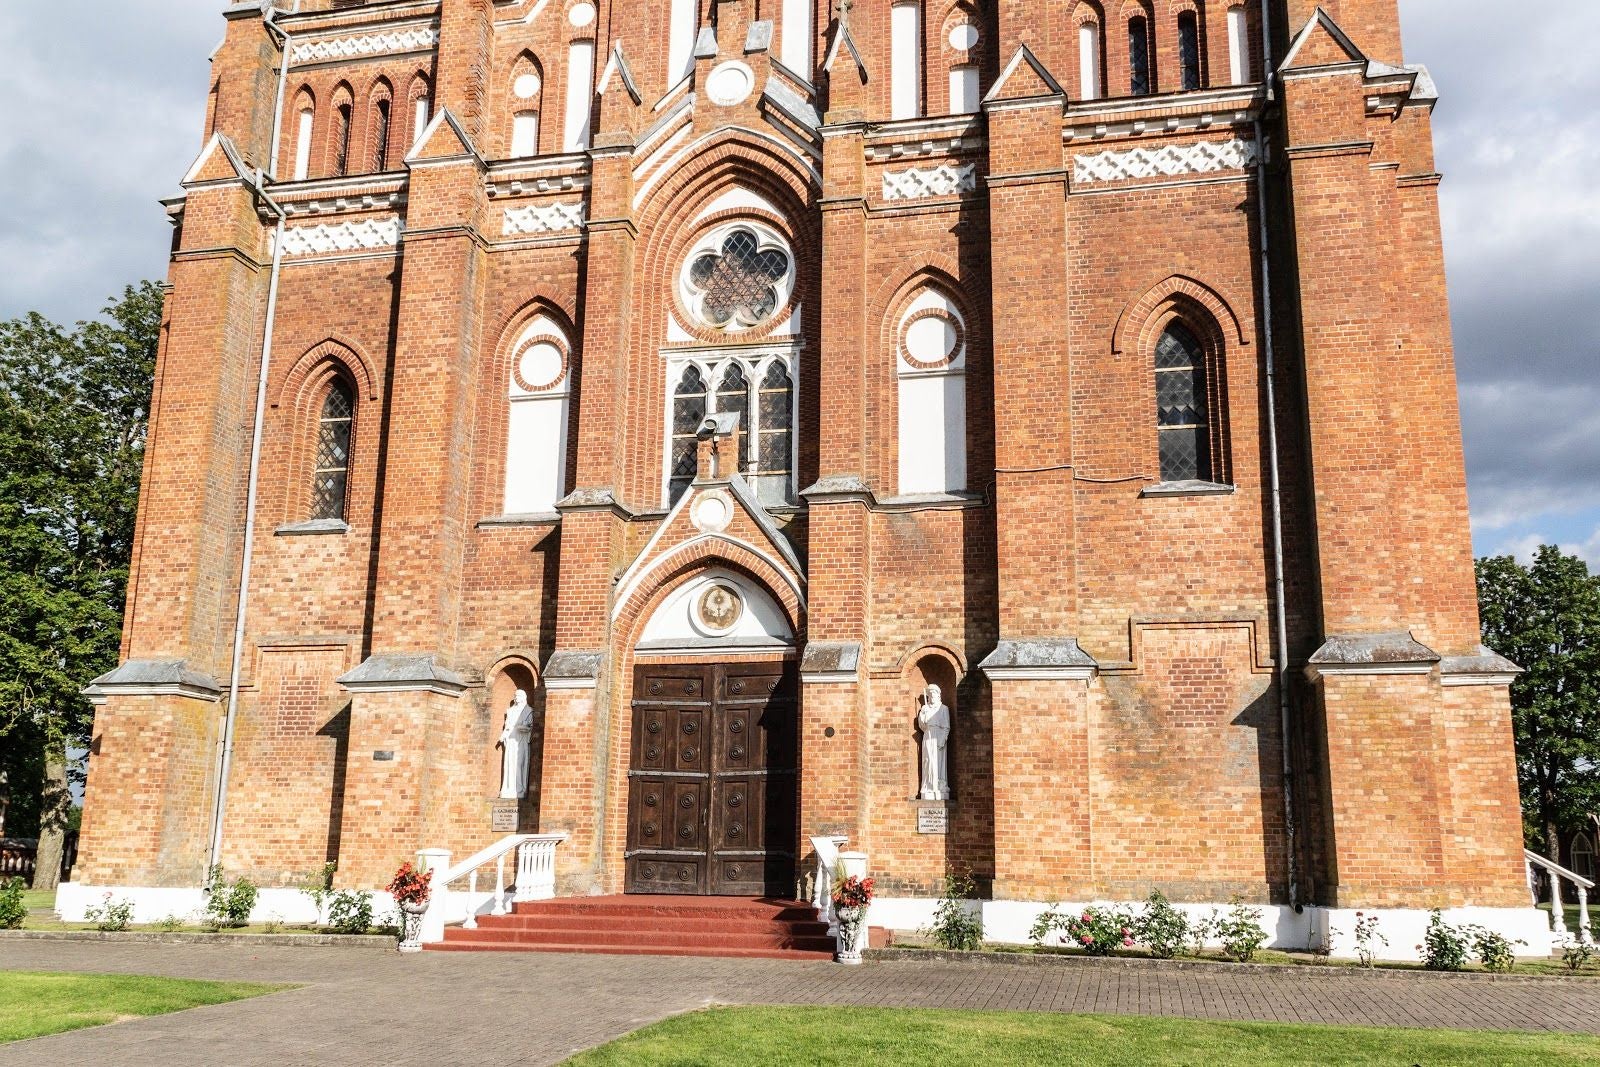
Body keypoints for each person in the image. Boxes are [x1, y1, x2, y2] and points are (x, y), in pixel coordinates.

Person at [917, 684, 951, 801]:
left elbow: (946, 726)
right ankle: (928, 786)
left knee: (938, 761)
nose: (931, 697)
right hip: (928, 735)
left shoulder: (943, 708)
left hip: (939, 736)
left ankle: (939, 785)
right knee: (928, 760)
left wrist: (942, 739)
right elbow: (922, 725)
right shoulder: (925, 708)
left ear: (938, 695)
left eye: (933, 694)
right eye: (930, 695)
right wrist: (923, 715)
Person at [498, 690, 535, 799]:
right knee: (509, 763)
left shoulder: (529, 711)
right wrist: (503, 736)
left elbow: (531, 727)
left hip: (521, 740)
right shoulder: (510, 711)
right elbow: (507, 727)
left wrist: (526, 729)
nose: (516, 697)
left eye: (519, 695)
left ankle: (519, 788)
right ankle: (508, 788)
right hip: (511, 740)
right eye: (515, 695)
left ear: (524, 697)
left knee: (520, 763)